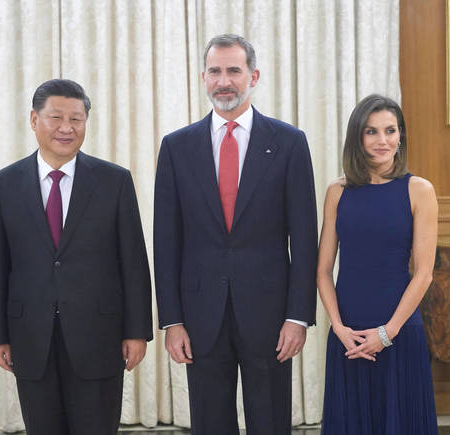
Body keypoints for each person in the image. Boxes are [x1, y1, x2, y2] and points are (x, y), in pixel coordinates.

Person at [154, 34, 318, 434]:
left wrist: (298, 316)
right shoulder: (177, 147)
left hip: (270, 317)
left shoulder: (289, 143)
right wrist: (172, 320)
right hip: (200, 316)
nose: (223, 80)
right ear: (204, 77)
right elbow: (166, 242)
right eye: (215, 71)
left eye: (233, 70)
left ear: (253, 76)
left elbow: (304, 236)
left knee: (270, 423)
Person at [0, 78, 153, 435]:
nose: (66, 128)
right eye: (55, 117)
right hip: (31, 336)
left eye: (76, 119)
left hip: (99, 335)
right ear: (33, 120)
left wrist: (137, 331)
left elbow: (134, 262)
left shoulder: (114, 181)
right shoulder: (5, 184)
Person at [318, 94, 438, 434]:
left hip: (399, 330)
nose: (383, 140)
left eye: (390, 130)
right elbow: (324, 270)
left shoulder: (419, 190)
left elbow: (425, 272)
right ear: (358, 137)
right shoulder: (337, 192)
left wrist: (388, 332)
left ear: (401, 136)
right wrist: (338, 328)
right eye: (372, 132)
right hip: (349, 336)